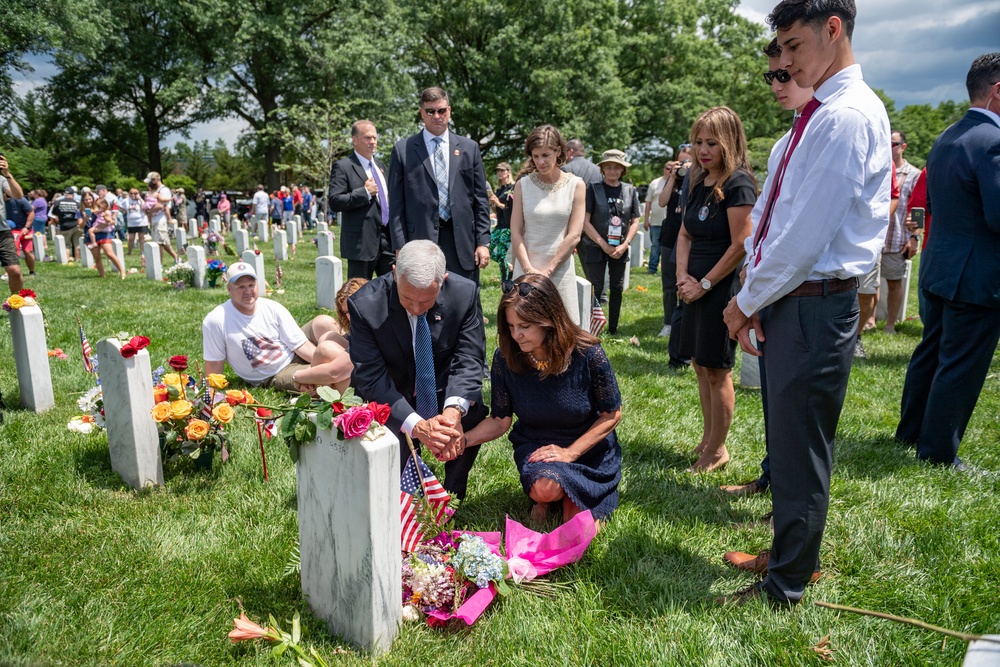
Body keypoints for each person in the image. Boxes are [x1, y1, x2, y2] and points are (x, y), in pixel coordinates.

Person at [719, 0, 891, 607]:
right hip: (794, 298)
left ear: (834, 30)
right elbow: (776, 216)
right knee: (787, 442)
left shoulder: (846, 117)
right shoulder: (820, 115)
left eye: (793, 47)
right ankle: (788, 554)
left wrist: (745, 300)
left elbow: (804, 239)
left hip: (816, 302)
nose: (785, 63)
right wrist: (760, 297)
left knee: (802, 445)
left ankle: (787, 583)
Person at [720, 37, 815, 499]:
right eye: (772, 74)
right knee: (778, 406)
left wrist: (747, 298)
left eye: (786, 73)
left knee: (797, 415)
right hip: (774, 289)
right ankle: (772, 477)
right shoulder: (786, 140)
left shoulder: (832, 127)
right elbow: (767, 224)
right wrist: (750, 284)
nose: (778, 83)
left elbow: (803, 237)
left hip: (809, 292)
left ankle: (793, 536)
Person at [895, 52, 1000, 468]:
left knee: (932, 351)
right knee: (961, 364)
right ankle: (938, 453)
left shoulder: (947, 136)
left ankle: (911, 431)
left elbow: (935, 203)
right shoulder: (994, 142)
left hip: (940, 265)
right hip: (976, 274)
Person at [464, 273, 622, 525]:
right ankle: (547, 499)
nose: (516, 335)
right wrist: (463, 441)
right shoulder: (506, 357)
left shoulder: (588, 353)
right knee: (546, 488)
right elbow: (500, 420)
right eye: (511, 326)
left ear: (548, 319)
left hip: (587, 449)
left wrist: (570, 453)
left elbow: (612, 414)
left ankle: (571, 496)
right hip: (538, 446)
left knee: (577, 529)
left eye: (525, 326)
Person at [347, 240, 487, 500]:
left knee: (472, 410)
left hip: (442, 391)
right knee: (396, 475)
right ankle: (402, 498)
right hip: (391, 395)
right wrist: (417, 425)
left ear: (442, 280)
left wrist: (451, 414)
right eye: (407, 299)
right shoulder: (365, 305)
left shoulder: (464, 294)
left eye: (427, 301)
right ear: (394, 273)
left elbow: (469, 358)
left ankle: (453, 494)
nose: (415, 309)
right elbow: (371, 378)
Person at [674, 107, 755, 473]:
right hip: (692, 288)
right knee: (699, 364)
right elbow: (685, 233)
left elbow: (741, 243)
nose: (703, 150)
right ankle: (708, 438)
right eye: (698, 142)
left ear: (729, 142)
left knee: (717, 369)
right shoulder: (697, 180)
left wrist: (704, 284)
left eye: (712, 143)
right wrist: (682, 278)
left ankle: (718, 450)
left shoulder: (738, 182)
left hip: (720, 290)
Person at [387, 87, 491, 282]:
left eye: (441, 111)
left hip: (462, 242)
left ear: (449, 111)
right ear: (422, 113)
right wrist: (400, 246)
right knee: (426, 301)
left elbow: (480, 201)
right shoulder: (403, 150)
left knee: (466, 302)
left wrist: (483, 242)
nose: (437, 116)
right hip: (420, 241)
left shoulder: (469, 148)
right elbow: (396, 205)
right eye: (430, 111)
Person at [202, 261, 352, 394]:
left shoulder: (271, 307)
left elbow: (298, 344)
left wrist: (328, 359)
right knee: (320, 379)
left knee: (324, 323)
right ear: (229, 289)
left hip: (291, 351)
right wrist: (211, 394)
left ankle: (359, 353)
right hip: (274, 372)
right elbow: (214, 364)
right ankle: (354, 370)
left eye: (251, 285)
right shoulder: (217, 320)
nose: (247, 291)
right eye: (241, 287)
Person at [509, 125, 585, 325]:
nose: (540, 162)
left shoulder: (576, 185)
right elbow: (516, 231)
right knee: (525, 329)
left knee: (562, 332)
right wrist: (528, 269)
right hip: (526, 271)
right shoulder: (522, 185)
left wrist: (548, 271)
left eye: (545, 155)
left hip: (559, 271)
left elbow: (574, 235)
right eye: (535, 156)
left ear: (559, 151)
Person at [581, 149, 641, 334]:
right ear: (602, 169)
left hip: (620, 247)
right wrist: (603, 244)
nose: (613, 171)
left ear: (623, 170)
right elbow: (585, 220)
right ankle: (592, 327)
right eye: (609, 167)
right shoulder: (593, 189)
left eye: (617, 168)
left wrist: (625, 245)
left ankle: (613, 328)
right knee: (596, 287)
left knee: (616, 287)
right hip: (595, 245)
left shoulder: (630, 191)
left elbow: (635, 220)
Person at [328, 120, 394, 280]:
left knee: (393, 290)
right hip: (361, 244)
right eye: (367, 138)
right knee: (360, 294)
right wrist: (364, 192)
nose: (373, 142)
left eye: (375, 138)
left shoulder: (380, 165)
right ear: (355, 140)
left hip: (387, 242)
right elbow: (335, 201)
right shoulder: (343, 166)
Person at [880, 130, 921, 333]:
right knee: (870, 285)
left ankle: (890, 324)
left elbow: (920, 208)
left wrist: (915, 237)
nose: (889, 147)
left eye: (893, 144)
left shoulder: (913, 174)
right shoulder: (880, 169)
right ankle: (869, 321)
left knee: (894, 283)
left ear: (903, 147)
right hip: (874, 237)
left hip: (897, 237)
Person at [656, 145, 694, 364]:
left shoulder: (697, 182)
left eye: (689, 162)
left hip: (689, 239)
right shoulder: (673, 181)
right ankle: (669, 323)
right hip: (670, 238)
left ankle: (684, 326)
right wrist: (672, 177)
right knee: (669, 285)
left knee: (685, 283)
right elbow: (661, 202)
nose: (685, 166)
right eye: (682, 162)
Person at [0, 154, 27, 292]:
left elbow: (18, 195)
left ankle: (15, 305)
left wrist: (7, 174)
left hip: (2, 231)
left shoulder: (2, 180)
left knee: (15, 271)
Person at [85, 198, 126, 279]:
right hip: (92, 234)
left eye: (89, 199)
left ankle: (122, 271)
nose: (88, 201)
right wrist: (86, 217)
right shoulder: (86, 210)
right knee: (97, 257)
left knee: (109, 253)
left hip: (103, 233)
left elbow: (112, 222)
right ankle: (103, 276)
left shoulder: (103, 212)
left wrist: (106, 224)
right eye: (85, 200)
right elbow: (83, 224)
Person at [488, 162, 515, 282]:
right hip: (499, 225)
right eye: (498, 171)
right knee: (488, 249)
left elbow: (512, 209)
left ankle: (504, 281)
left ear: (508, 172)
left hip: (508, 226)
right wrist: (493, 204)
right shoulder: (499, 189)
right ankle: (509, 267)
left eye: (502, 170)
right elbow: (497, 210)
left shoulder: (513, 188)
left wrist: (498, 203)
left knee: (501, 253)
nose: (499, 173)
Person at [144, 172, 178, 265]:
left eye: (150, 181)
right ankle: (176, 258)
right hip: (155, 218)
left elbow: (160, 205)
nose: (149, 184)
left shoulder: (164, 190)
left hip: (161, 219)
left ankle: (159, 264)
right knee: (162, 241)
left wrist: (148, 211)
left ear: (156, 180)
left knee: (159, 243)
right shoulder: (154, 191)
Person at [643, 163, 669, 275]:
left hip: (669, 222)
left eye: (672, 169)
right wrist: (646, 219)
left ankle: (666, 269)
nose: (669, 170)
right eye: (667, 168)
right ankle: (652, 268)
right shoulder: (655, 183)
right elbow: (648, 202)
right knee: (655, 246)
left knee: (667, 248)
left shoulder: (677, 183)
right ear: (664, 169)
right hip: (655, 221)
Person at [5, 192, 36, 278]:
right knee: (12, 251)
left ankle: (32, 271)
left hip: (25, 229)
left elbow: (31, 213)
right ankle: (9, 272)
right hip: (10, 230)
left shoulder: (20, 199)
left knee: (27, 252)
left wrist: (26, 227)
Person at [51, 187, 83, 262]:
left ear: (64, 194)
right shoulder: (77, 203)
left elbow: (54, 214)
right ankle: (77, 259)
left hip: (65, 226)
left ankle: (67, 259)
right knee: (77, 244)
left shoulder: (57, 202)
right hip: (76, 225)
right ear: (73, 195)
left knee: (66, 245)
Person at [124, 188, 148, 258]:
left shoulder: (141, 201)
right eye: (131, 193)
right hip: (131, 222)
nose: (133, 195)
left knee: (141, 238)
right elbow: (121, 207)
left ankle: (142, 252)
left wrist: (140, 199)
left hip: (141, 221)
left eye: (135, 193)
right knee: (131, 238)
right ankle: (129, 252)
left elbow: (144, 208)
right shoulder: (126, 201)